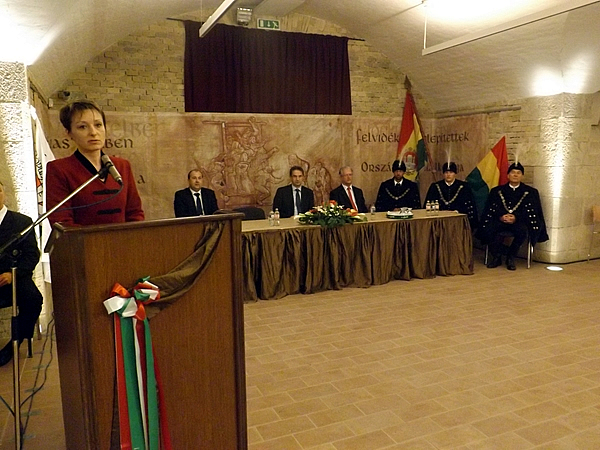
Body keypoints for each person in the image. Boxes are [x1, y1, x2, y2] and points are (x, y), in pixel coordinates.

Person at [46, 100, 144, 226]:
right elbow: (61, 221)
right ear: (68, 133)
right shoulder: (59, 169)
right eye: (82, 127)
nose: (93, 132)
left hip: (123, 238)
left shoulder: (122, 166)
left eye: (98, 125)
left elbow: (135, 213)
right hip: (82, 239)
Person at [0, 181, 43, 366]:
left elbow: (32, 255)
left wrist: (12, 275)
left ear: (3, 193)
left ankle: (14, 344)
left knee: (33, 299)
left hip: (15, 277)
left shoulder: (21, 222)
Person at [478, 162, 548, 270]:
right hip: (500, 220)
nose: (515, 175)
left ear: (522, 176)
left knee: (522, 231)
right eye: (513, 172)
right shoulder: (496, 191)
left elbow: (532, 212)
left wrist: (516, 218)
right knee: (489, 229)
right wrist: (501, 216)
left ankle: (510, 257)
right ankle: (496, 257)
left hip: (519, 221)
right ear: (508, 175)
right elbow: (490, 209)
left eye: (518, 173)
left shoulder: (531, 192)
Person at [424, 162, 478, 228]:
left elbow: (469, 207)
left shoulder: (464, 186)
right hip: (439, 222)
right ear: (443, 174)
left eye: (451, 172)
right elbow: (428, 206)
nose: (448, 175)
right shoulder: (435, 186)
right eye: (446, 172)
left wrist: (458, 211)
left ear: (455, 173)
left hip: (458, 222)